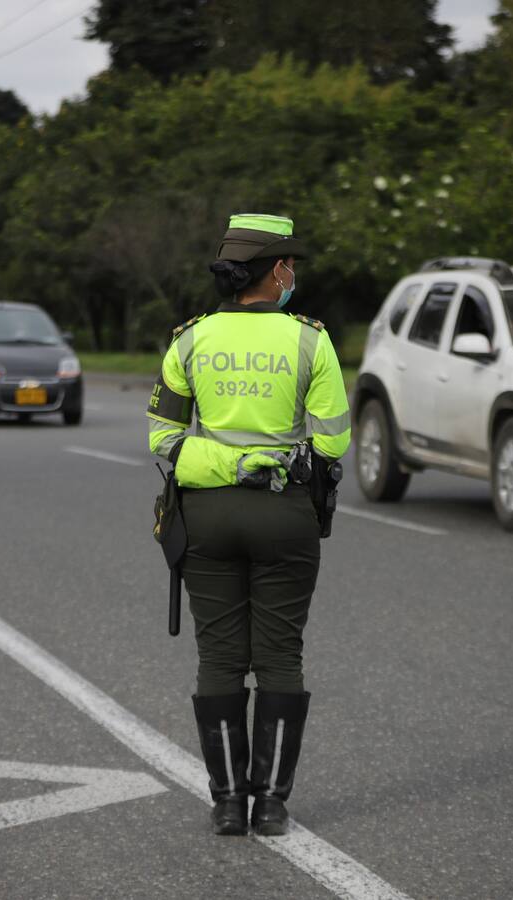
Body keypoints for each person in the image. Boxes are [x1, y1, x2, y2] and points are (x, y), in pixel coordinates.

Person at [146, 214, 351, 836]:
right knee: (280, 658)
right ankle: (273, 806)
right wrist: (269, 462)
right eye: (293, 265)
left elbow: (164, 438)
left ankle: (228, 802)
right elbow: (334, 443)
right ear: (278, 271)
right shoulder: (312, 340)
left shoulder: (189, 340)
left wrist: (227, 462)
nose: (295, 276)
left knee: (220, 659)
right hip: (286, 515)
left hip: (205, 516)